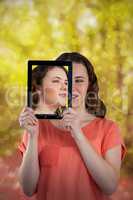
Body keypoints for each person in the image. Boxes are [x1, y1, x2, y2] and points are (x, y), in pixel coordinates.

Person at [18, 52, 126, 200]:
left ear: (89, 85)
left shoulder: (108, 129)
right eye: (65, 80)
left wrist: (78, 134)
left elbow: (109, 186)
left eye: (79, 80)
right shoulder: (36, 127)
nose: (70, 87)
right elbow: (28, 189)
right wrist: (32, 136)